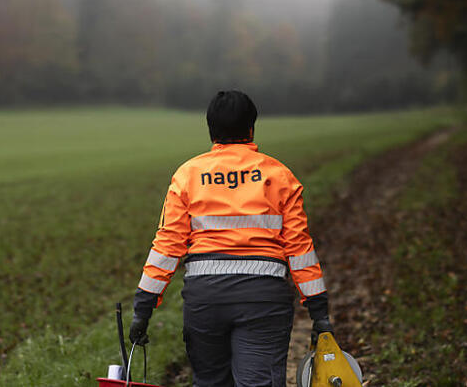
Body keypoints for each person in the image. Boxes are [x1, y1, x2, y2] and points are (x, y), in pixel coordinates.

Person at [128, 90, 332, 387]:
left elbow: (167, 246)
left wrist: (143, 307)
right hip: (263, 298)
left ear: (211, 130)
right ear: (251, 129)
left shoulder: (187, 175)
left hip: (205, 300)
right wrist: (319, 312)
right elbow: (300, 249)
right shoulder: (279, 175)